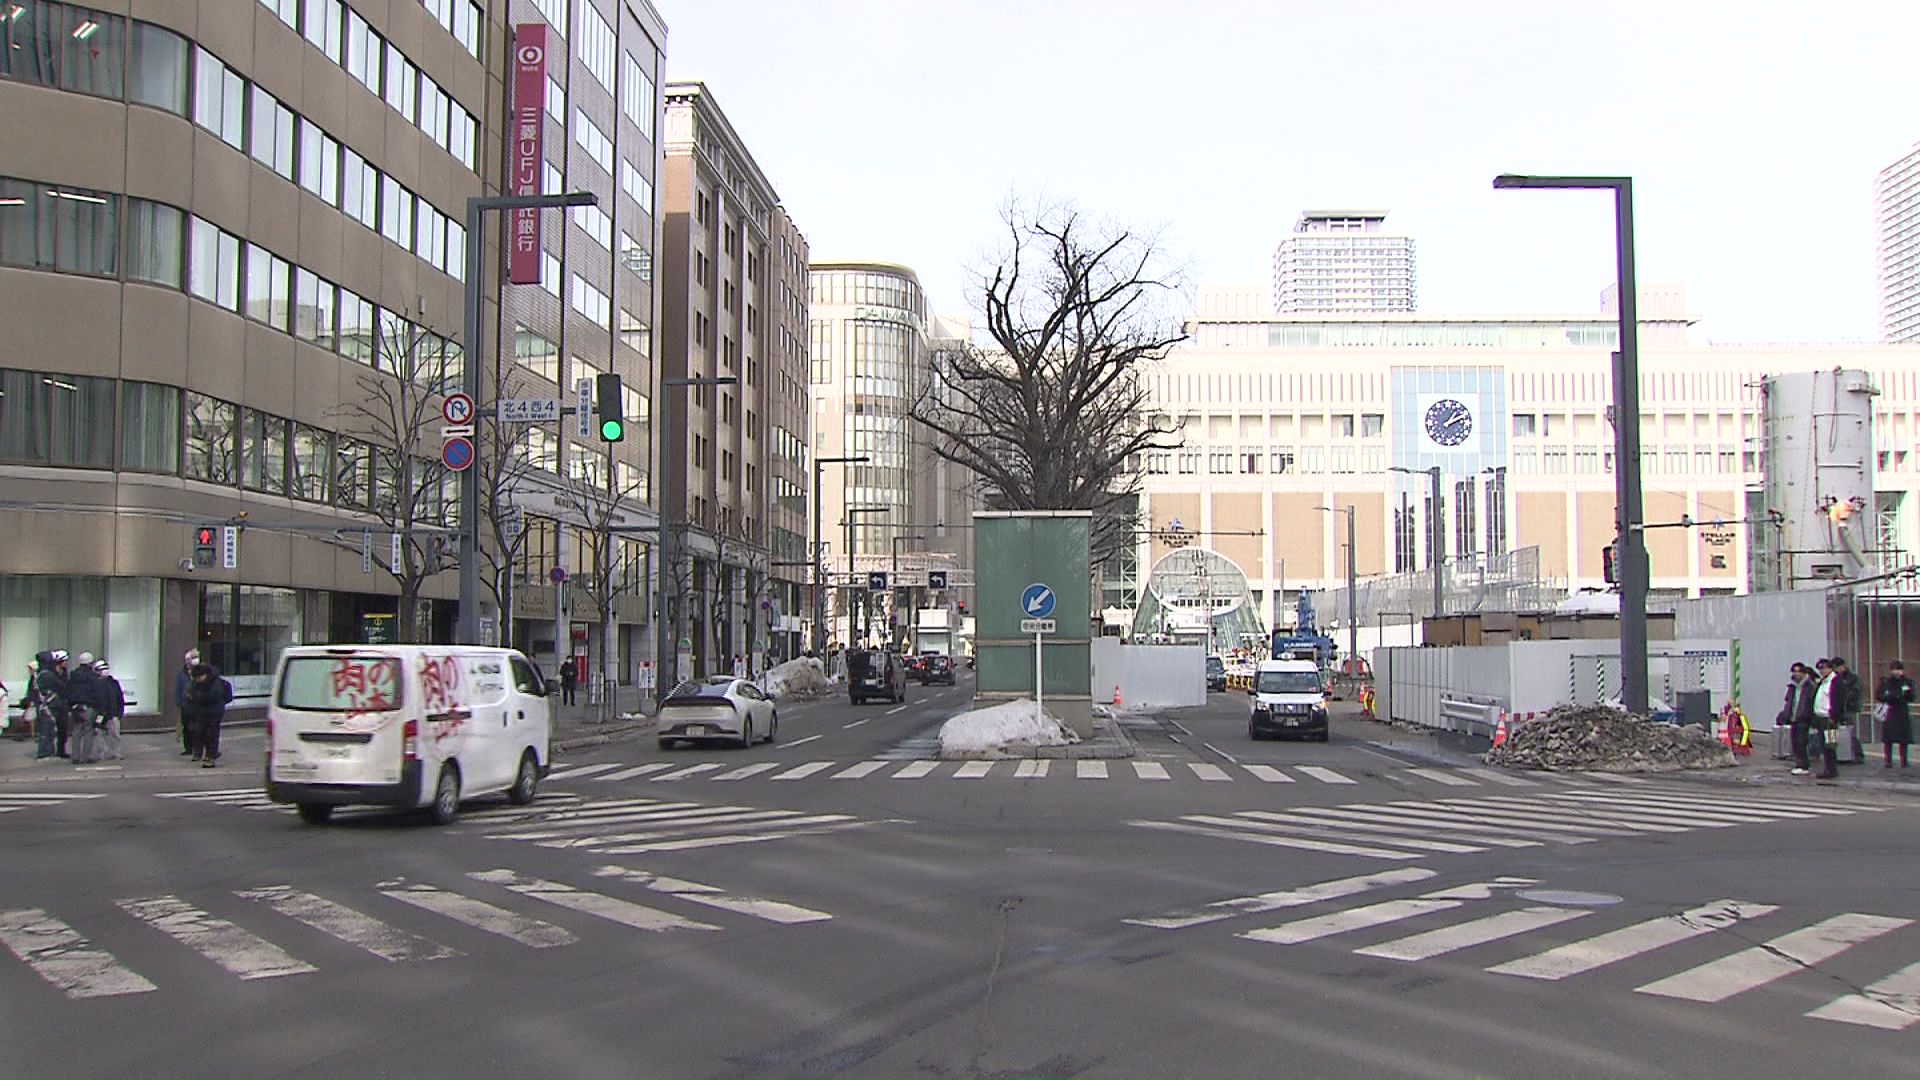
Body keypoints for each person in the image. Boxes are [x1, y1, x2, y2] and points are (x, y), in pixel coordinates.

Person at [182, 663, 233, 767]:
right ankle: (206, 754)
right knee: (200, 733)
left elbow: (213, 696)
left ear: (205, 675)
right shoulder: (197, 683)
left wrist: (196, 696)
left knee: (211, 734)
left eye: (199, 677)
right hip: (201, 712)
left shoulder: (215, 683)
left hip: (214, 712)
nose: (197, 680)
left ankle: (211, 757)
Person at [33, 650, 72, 759]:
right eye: (64, 661)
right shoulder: (47, 674)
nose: (66, 663)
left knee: (62, 729)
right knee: (47, 729)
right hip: (50, 705)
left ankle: (60, 750)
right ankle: (45, 752)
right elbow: (59, 687)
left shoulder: (63, 672)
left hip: (60, 704)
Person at [66, 652, 104, 764]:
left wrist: (71, 705)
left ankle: (75, 756)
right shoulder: (93, 677)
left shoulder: (73, 675)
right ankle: (86, 756)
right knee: (88, 731)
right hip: (89, 706)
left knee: (77, 730)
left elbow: (68, 691)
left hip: (76, 706)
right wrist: (100, 708)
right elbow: (98, 693)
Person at [1875, 659, 1913, 769]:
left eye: (1899, 669)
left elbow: (1911, 697)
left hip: (1902, 712)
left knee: (1903, 739)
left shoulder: (1907, 682)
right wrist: (1891, 696)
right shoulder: (1886, 682)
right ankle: (1888, 761)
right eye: (1894, 669)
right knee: (1888, 738)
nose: (1896, 672)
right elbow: (1879, 695)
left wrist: (1905, 694)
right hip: (1890, 711)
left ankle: (1904, 760)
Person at [1783, 663, 1818, 776]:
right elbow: (1788, 702)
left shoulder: (1810, 686)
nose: (1796, 674)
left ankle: (1804, 765)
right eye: (1794, 671)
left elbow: (1812, 702)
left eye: (1798, 671)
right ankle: (1799, 764)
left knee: (1801, 742)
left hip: (1804, 717)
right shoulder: (1792, 687)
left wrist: (1812, 717)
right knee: (1795, 742)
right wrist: (1785, 715)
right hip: (1793, 717)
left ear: (1804, 673)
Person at [93, 658, 126, 761]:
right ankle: (101, 753)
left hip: (113, 713)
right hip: (100, 714)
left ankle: (115, 752)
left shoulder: (113, 683)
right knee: (99, 735)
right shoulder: (95, 683)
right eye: (102, 669)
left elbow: (119, 698)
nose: (105, 671)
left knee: (115, 734)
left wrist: (120, 712)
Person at [174, 650, 200, 757]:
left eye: (191, 659)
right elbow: (178, 689)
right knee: (186, 727)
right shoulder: (182, 673)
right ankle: (188, 747)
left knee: (197, 727)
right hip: (186, 705)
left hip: (197, 705)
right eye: (187, 660)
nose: (188, 662)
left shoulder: (200, 671)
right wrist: (179, 703)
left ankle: (197, 747)